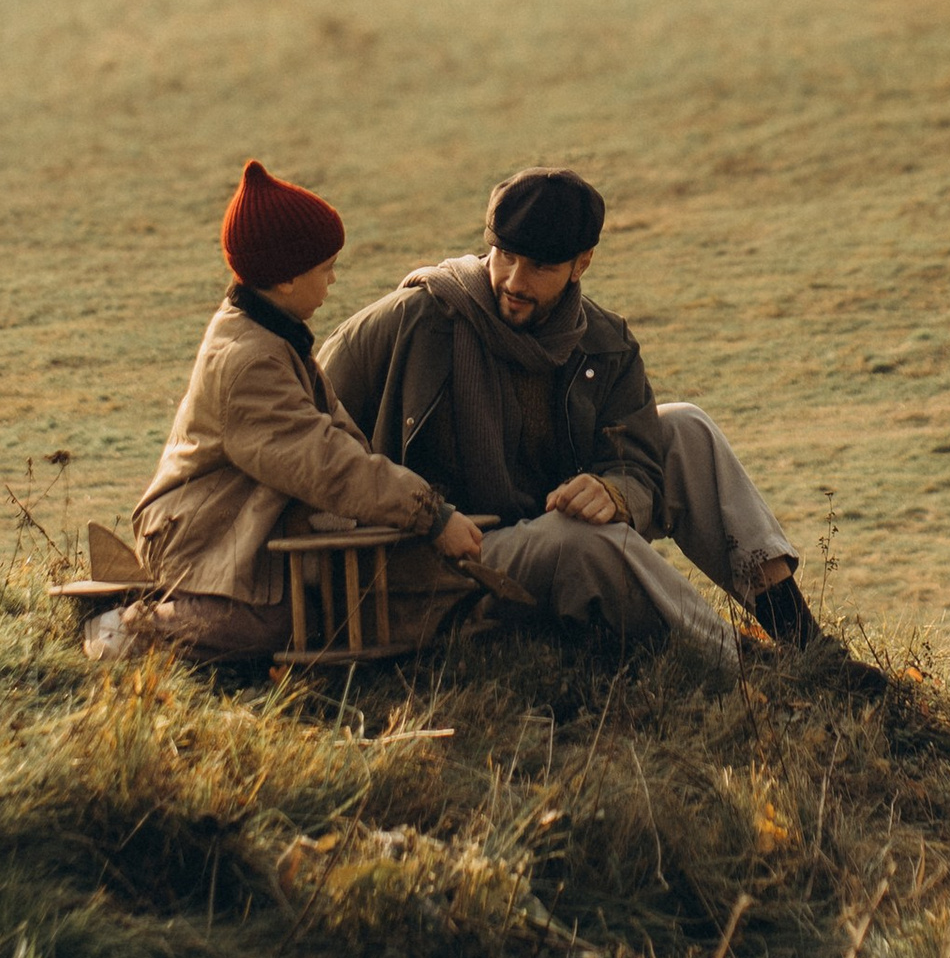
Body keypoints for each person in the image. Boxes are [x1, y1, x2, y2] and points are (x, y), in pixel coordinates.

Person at [320, 165, 834, 675]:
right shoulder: (410, 320)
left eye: (540, 267)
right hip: (447, 557)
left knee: (685, 427)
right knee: (580, 540)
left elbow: (638, 463)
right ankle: (751, 671)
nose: (515, 282)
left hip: (541, 535)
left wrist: (614, 491)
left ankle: (807, 642)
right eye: (506, 256)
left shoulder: (604, 343)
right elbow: (311, 433)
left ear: (581, 264)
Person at [118, 159, 491, 672]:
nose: (333, 280)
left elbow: (341, 436)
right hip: (197, 530)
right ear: (288, 279)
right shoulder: (249, 361)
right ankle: (129, 630)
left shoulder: (273, 334)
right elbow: (322, 460)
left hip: (241, 514)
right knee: (277, 626)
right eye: (325, 268)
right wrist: (428, 512)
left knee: (342, 600)